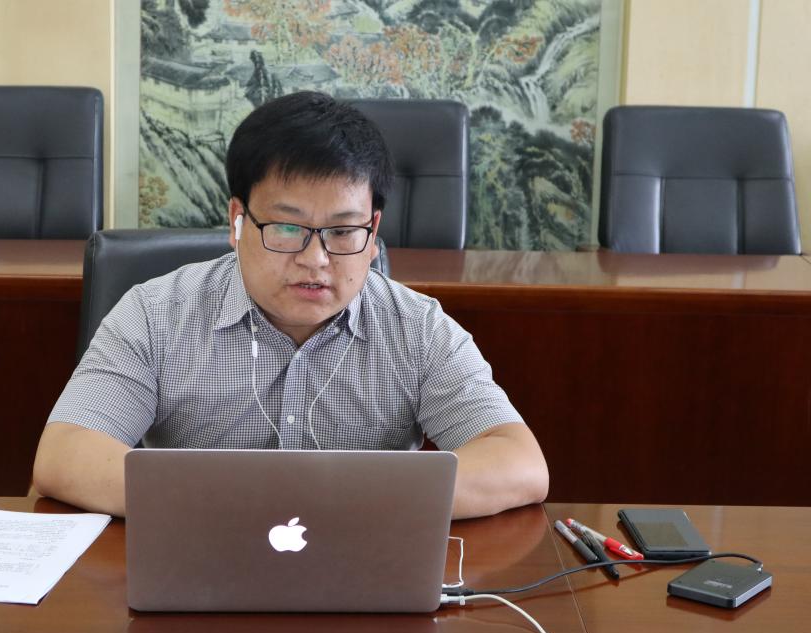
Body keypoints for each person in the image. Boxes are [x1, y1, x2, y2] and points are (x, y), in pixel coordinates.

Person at [33, 91, 548, 518]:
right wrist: (244, 503)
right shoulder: (155, 314)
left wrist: (342, 503)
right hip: (199, 564)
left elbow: (518, 463)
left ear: (373, 232)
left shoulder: (417, 328)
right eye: (286, 227)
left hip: (363, 572)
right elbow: (65, 454)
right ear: (237, 221)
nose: (315, 259)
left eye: (343, 231)